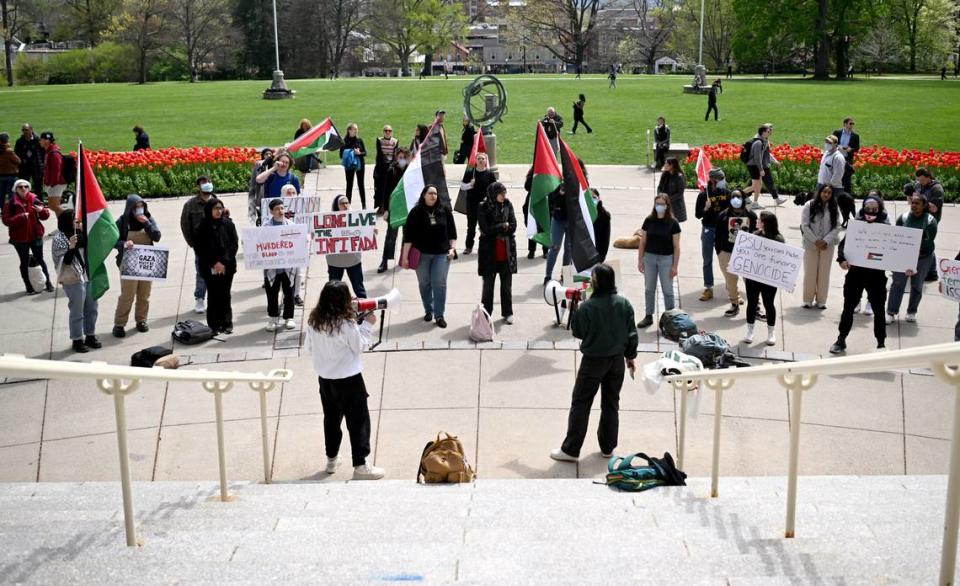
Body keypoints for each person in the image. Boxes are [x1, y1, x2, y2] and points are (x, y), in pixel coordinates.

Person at [550, 263, 638, 462]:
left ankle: (571, 449)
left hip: (593, 361)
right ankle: (608, 447)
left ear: (597, 282)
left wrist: (577, 309)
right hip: (616, 360)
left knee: (581, 403)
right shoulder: (624, 304)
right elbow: (632, 333)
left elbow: (578, 332)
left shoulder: (588, 306)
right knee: (611, 403)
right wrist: (630, 356)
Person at [305, 280, 384, 480]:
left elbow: (309, 349)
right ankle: (361, 464)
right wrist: (366, 325)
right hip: (349, 380)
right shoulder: (347, 324)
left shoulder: (314, 322)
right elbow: (359, 347)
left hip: (325, 380)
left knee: (331, 420)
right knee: (358, 422)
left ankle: (331, 459)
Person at [830, 193, 890, 354]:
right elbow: (843, 245)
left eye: (874, 209)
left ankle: (881, 343)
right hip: (856, 275)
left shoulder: (886, 229)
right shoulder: (856, 226)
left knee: (879, 310)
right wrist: (842, 259)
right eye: (868, 208)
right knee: (848, 308)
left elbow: (896, 252)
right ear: (863, 209)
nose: (871, 211)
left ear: (880, 210)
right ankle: (841, 339)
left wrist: (906, 266)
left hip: (876, 277)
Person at [400, 184, 457, 328]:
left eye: (435, 193)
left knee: (439, 283)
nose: (433, 196)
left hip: (441, 254)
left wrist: (452, 249)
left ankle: (439, 315)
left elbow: (452, 233)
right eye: (430, 193)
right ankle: (428, 310)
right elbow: (409, 238)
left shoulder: (444, 210)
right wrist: (405, 257)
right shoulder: (415, 212)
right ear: (424, 195)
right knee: (424, 283)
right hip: (422, 255)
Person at [112, 194, 161, 338]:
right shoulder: (122, 221)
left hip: (146, 261)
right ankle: (119, 324)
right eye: (136, 207)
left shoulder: (149, 219)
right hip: (128, 262)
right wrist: (124, 244)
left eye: (141, 206)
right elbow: (113, 241)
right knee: (127, 294)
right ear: (130, 208)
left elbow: (157, 236)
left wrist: (147, 223)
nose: (139, 209)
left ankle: (141, 320)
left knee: (144, 294)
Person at [52, 210, 101, 353]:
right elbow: (64, 261)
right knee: (77, 311)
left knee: (92, 308)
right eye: (75, 220)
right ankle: (77, 339)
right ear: (67, 221)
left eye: (79, 221)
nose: (78, 223)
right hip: (73, 278)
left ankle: (90, 335)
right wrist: (71, 248)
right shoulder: (59, 239)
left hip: (88, 275)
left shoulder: (83, 235)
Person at [886, 193, 938, 324]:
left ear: (924, 205)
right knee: (897, 284)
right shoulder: (903, 218)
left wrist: (913, 250)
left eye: (917, 203)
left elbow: (927, 241)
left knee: (917, 285)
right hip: (902, 257)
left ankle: (911, 312)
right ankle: (891, 312)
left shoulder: (931, 221)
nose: (914, 205)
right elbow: (896, 236)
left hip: (923, 258)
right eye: (912, 203)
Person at [636, 194, 681, 328]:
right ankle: (648, 315)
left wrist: (675, 266)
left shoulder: (673, 223)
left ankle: (670, 318)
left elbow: (677, 247)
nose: (659, 207)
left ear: (667, 206)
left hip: (666, 259)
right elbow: (642, 242)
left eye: (662, 204)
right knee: (649, 288)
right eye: (657, 204)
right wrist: (640, 260)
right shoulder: (648, 220)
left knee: (667, 290)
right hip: (649, 257)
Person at [196, 197, 238, 334]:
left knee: (225, 294)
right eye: (215, 208)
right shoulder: (202, 227)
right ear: (209, 210)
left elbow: (233, 244)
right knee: (213, 295)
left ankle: (227, 323)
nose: (218, 211)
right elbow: (200, 249)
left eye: (220, 208)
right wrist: (214, 263)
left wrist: (223, 262)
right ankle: (214, 325)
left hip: (227, 266)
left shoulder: (228, 224)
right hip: (209, 267)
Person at [3, 179, 53, 294]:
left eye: (26, 186)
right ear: (15, 189)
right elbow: (6, 221)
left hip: (35, 236)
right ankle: (29, 286)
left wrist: (42, 211)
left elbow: (45, 216)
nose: (24, 189)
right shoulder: (10, 203)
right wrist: (20, 217)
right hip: (19, 239)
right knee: (24, 262)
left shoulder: (34, 199)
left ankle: (48, 283)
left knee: (40, 259)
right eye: (20, 187)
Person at [477, 181, 517, 324]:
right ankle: (486, 314)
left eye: (505, 193)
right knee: (488, 287)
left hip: (506, 252)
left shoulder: (508, 204)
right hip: (489, 253)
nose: (504, 196)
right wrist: (502, 226)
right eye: (501, 193)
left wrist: (504, 227)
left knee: (506, 286)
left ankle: (508, 312)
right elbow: (485, 229)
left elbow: (513, 225)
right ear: (494, 193)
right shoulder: (483, 206)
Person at [742, 212, 783, 346]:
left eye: (760, 219)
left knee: (769, 304)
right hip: (753, 278)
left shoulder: (778, 239)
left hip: (769, 279)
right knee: (752, 303)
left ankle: (771, 332)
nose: (757, 221)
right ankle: (750, 331)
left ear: (765, 222)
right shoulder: (754, 235)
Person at [715, 190, 757, 317]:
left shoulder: (751, 215)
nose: (735, 199)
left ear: (743, 199)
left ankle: (756, 307)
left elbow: (757, 232)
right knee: (731, 281)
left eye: (738, 196)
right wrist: (719, 251)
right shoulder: (723, 215)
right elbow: (717, 235)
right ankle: (734, 304)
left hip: (746, 253)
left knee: (751, 282)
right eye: (733, 197)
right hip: (726, 252)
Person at [800, 184, 841, 309]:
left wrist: (825, 241)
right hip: (811, 244)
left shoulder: (834, 207)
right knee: (810, 272)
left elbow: (837, 226)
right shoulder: (809, 205)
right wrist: (816, 240)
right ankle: (807, 299)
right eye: (824, 192)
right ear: (820, 192)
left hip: (827, 245)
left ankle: (821, 300)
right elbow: (804, 225)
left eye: (829, 193)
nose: (826, 195)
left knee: (824, 273)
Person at [180, 175, 216, 314]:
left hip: (216, 244)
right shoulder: (191, 204)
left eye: (209, 182)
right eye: (204, 183)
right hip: (201, 245)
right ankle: (200, 298)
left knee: (217, 272)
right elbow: (185, 224)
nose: (207, 184)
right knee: (202, 272)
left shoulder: (216, 201)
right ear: (198, 187)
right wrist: (192, 242)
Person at [694, 168, 730, 302]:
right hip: (708, 229)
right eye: (721, 179)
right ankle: (708, 287)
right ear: (714, 180)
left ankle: (731, 287)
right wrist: (705, 208)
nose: (723, 182)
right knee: (707, 259)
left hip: (723, 231)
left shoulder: (727, 194)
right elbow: (698, 215)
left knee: (726, 260)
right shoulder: (703, 195)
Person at [262, 199, 299, 332]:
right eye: (277, 209)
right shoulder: (265, 228)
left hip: (288, 268)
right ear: (271, 211)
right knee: (271, 294)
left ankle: (289, 317)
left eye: (282, 208)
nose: (280, 211)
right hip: (272, 269)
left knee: (289, 293)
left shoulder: (292, 226)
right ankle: (272, 318)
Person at [909, 168, 946, 283]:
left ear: (929, 177)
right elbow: (911, 202)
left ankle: (932, 273)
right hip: (918, 218)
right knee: (918, 243)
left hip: (930, 220)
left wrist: (923, 201)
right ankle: (921, 269)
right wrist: (910, 195)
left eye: (923, 180)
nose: (921, 183)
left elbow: (934, 208)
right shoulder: (918, 185)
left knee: (927, 244)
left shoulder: (936, 189)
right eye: (919, 180)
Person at [327, 195, 367, 299]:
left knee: (359, 288)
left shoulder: (356, 218)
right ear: (337, 206)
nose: (345, 205)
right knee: (333, 290)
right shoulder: (328, 220)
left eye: (347, 203)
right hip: (335, 261)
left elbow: (364, 230)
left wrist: (371, 230)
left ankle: (366, 311)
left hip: (353, 260)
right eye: (342, 203)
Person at [377, 147, 410, 273]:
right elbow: (386, 192)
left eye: (404, 158)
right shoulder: (391, 170)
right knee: (390, 236)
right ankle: (384, 261)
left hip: (407, 209)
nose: (402, 160)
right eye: (400, 157)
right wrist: (385, 209)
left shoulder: (410, 171)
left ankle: (403, 258)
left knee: (407, 236)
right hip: (394, 208)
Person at [743, 123, 787, 209]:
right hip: (755, 166)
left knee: (758, 185)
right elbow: (757, 157)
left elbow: (765, 155)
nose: (770, 131)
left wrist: (774, 162)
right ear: (763, 132)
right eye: (768, 130)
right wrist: (761, 169)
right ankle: (737, 195)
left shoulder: (763, 140)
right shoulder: (759, 142)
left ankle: (752, 201)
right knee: (757, 185)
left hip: (758, 166)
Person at [461, 152, 495, 255]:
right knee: (471, 226)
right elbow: (462, 187)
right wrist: (470, 185)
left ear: (485, 161)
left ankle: (485, 247)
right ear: (475, 161)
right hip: (471, 204)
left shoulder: (490, 174)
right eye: (479, 158)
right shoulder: (470, 173)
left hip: (485, 205)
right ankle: (468, 247)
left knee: (484, 227)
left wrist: (488, 198)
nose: (480, 160)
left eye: (482, 159)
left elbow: (494, 189)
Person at [817, 135, 851, 225]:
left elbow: (838, 175)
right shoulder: (826, 153)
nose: (827, 144)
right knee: (822, 208)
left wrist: (829, 187)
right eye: (826, 142)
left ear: (836, 144)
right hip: (822, 185)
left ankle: (832, 224)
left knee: (832, 209)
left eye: (830, 143)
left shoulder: (838, 157)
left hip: (832, 188)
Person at [522, 165, 549, 260]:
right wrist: (534, 177)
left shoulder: (547, 176)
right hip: (532, 203)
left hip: (543, 204)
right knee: (532, 227)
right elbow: (527, 186)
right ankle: (531, 251)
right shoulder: (532, 176)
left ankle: (545, 251)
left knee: (543, 228)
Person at [39, 131, 67, 216]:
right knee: (55, 206)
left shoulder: (54, 153)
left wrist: (52, 184)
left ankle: (71, 220)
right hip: (54, 183)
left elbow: (56, 170)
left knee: (53, 206)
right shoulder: (49, 151)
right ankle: (63, 224)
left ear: (47, 141)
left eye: (41, 139)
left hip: (56, 184)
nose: (40, 141)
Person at [339, 123, 367, 207]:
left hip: (360, 164)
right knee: (349, 185)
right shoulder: (344, 141)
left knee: (361, 184)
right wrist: (351, 152)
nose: (356, 131)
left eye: (356, 129)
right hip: (349, 165)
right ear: (349, 130)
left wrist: (359, 153)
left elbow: (365, 153)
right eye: (354, 129)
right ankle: (347, 206)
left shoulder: (359, 140)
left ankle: (364, 205)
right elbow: (341, 155)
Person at [832, 117, 860, 196]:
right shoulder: (837, 133)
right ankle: (835, 194)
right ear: (845, 124)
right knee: (836, 176)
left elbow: (857, 148)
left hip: (847, 159)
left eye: (853, 124)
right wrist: (838, 147)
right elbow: (831, 142)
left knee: (847, 178)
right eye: (850, 123)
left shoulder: (855, 136)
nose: (852, 125)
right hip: (836, 157)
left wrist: (851, 149)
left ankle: (847, 196)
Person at [373, 125, 397, 212]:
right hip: (381, 168)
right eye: (386, 131)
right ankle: (381, 206)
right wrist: (385, 164)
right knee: (380, 188)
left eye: (389, 131)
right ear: (383, 132)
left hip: (390, 168)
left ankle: (389, 206)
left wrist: (391, 165)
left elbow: (395, 155)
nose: (387, 132)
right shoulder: (379, 140)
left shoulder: (395, 141)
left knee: (389, 188)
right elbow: (379, 154)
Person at [248, 147, 274, 227]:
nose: (268, 155)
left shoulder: (274, 166)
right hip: (261, 193)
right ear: (263, 155)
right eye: (266, 154)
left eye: (270, 154)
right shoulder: (259, 165)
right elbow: (255, 179)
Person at [15, 124, 44, 195]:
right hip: (24, 167)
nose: (25, 132)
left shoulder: (38, 140)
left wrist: (43, 164)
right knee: (24, 186)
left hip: (36, 166)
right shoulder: (20, 141)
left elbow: (43, 152)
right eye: (23, 130)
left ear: (31, 129)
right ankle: (25, 202)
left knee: (38, 187)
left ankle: (38, 202)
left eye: (26, 130)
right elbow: (17, 153)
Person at [657, 157, 687, 223]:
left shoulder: (679, 177)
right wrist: (660, 196)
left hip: (675, 206)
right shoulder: (664, 174)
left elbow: (679, 194)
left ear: (671, 165)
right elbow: (659, 187)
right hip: (663, 204)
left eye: (666, 164)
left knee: (673, 226)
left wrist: (667, 199)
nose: (664, 165)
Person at [0, 132, 21, 208]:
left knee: (1, 195)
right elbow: (18, 161)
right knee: (11, 195)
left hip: (1, 176)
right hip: (11, 176)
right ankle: (11, 210)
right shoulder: (9, 151)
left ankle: (2, 210)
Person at [592, 188, 611, 263]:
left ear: (598, 198)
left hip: (597, 254)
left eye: (594, 197)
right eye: (589, 198)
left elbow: (605, 239)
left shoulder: (604, 216)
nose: (592, 200)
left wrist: (601, 257)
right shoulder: (581, 214)